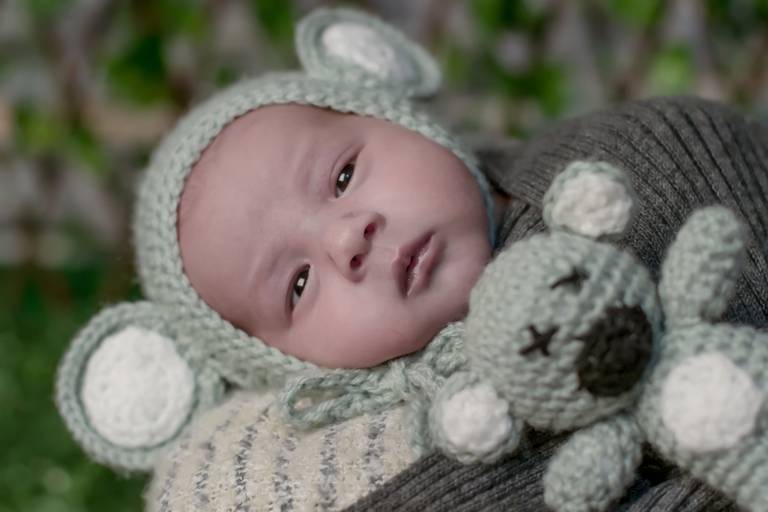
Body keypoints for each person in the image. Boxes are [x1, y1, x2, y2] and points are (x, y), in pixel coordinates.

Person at [55, 7, 768, 511]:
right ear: (290, 367)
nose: (348, 239)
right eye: (298, 285)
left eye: (343, 176)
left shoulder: (636, 158)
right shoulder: (438, 440)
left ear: (397, 115)